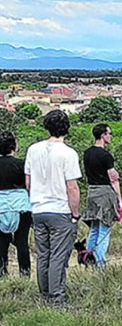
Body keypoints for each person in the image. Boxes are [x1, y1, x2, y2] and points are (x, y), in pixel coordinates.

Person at [26, 110, 81, 306]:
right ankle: (57, 298)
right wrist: (75, 214)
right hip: (60, 209)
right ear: (66, 128)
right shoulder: (69, 153)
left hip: (38, 209)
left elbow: (28, 182)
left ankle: (44, 295)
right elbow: (72, 187)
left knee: (43, 255)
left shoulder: (33, 150)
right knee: (58, 256)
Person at [81, 123, 122, 268]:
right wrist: (119, 200)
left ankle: (88, 257)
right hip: (105, 192)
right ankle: (100, 261)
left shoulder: (87, 153)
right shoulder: (106, 155)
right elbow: (113, 179)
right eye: (109, 133)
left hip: (92, 191)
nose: (110, 136)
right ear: (103, 135)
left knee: (94, 228)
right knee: (105, 229)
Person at [0, 131, 31, 277]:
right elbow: (29, 185)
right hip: (21, 206)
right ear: (14, 146)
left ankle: (2, 273)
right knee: (22, 242)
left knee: (1, 243)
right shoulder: (22, 164)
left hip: (1, 207)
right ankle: (24, 273)